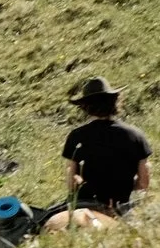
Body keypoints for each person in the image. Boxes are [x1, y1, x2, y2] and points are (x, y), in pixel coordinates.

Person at [62, 76, 152, 214]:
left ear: (86, 106)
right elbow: (143, 183)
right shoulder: (136, 135)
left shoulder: (76, 136)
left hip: (83, 206)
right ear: (115, 102)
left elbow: (71, 183)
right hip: (120, 208)